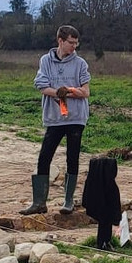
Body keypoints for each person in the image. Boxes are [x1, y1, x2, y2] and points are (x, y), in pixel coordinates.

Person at [22, 25, 91, 215]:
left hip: (76, 117)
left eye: (76, 43)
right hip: (54, 118)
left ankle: (68, 201)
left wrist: (68, 91)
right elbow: (42, 86)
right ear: (60, 41)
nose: (74, 47)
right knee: (44, 156)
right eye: (71, 43)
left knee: (72, 157)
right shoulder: (46, 61)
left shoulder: (81, 64)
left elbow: (85, 92)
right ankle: (39, 202)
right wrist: (57, 92)